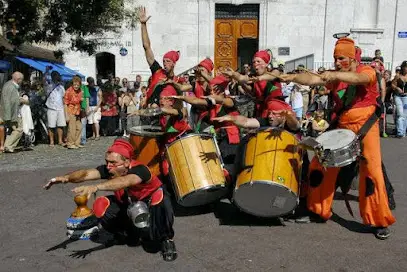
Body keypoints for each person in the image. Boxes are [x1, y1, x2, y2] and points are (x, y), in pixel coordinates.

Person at [280, 37, 395, 240]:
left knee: (372, 171)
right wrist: (290, 77)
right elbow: (313, 80)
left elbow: (361, 80)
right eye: (335, 58)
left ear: (351, 58)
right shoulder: (336, 76)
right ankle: (318, 210)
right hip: (342, 127)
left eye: (341, 58)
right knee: (320, 165)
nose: (336, 61)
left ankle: (379, 220)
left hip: (366, 126)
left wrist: (334, 74)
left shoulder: (365, 71)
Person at [43, 138, 177, 261]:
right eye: (107, 162)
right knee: (102, 205)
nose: (108, 166)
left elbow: (126, 181)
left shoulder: (140, 170)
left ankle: (166, 240)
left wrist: (95, 187)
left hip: (150, 205)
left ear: (127, 162)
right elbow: (86, 174)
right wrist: (65, 178)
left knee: (160, 199)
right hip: (129, 205)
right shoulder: (110, 169)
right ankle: (124, 233)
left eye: (113, 162)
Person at [138, 6, 192, 108]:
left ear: (174, 63)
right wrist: (143, 25)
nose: (164, 63)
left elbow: (188, 88)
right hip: (150, 114)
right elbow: (147, 47)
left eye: (168, 61)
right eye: (163, 61)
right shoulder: (157, 71)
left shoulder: (178, 80)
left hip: (167, 117)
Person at [1, 72, 24, 153]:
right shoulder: (10, 87)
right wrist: (8, 116)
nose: (22, 81)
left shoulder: (11, 85)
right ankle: (8, 146)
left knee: (14, 130)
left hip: (13, 112)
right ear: (18, 79)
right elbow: (6, 102)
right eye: (21, 79)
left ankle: (8, 146)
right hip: (12, 113)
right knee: (19, 129)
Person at [44, 69, 66, 146]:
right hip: (51, 108)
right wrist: (46, 71)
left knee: (60, 125)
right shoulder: (49, 86)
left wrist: (64, 107)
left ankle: (60, 141)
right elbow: (44, 80)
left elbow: (63, 98)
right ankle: (51, 141)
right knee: (51, 126)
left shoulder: (61, 87)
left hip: (60, 108)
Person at [64, 76, 83, 149]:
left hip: (77, 111)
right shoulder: (68, 91)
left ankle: (77, 142)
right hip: (70, 111)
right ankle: (70, 143)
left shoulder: (80, 91)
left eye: (78, 85)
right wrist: (66, 115)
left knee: (79, 127)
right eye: (75, 85)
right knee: (72, 128)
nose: (76, 86)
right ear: (72, 84)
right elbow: (65, 104)